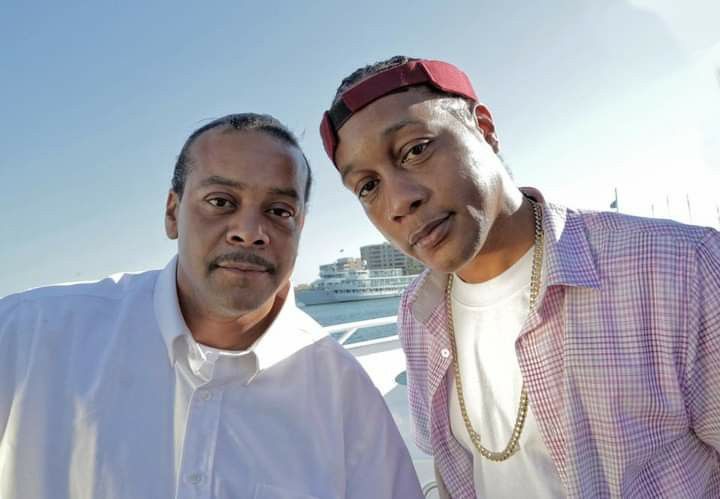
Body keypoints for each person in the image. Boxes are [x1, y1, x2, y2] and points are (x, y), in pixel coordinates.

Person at [319, 56, 720, 497]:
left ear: (484, 129)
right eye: (367, 186)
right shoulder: (417, 312)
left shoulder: (680, 268)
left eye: (416, 150)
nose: (398, 202)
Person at [0, 113, 423, 499]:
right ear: (172, 213)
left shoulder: (344, 394)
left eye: (279, 211)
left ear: (300, 229)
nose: (249, 231)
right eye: (221, 202)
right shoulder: (29, 338)